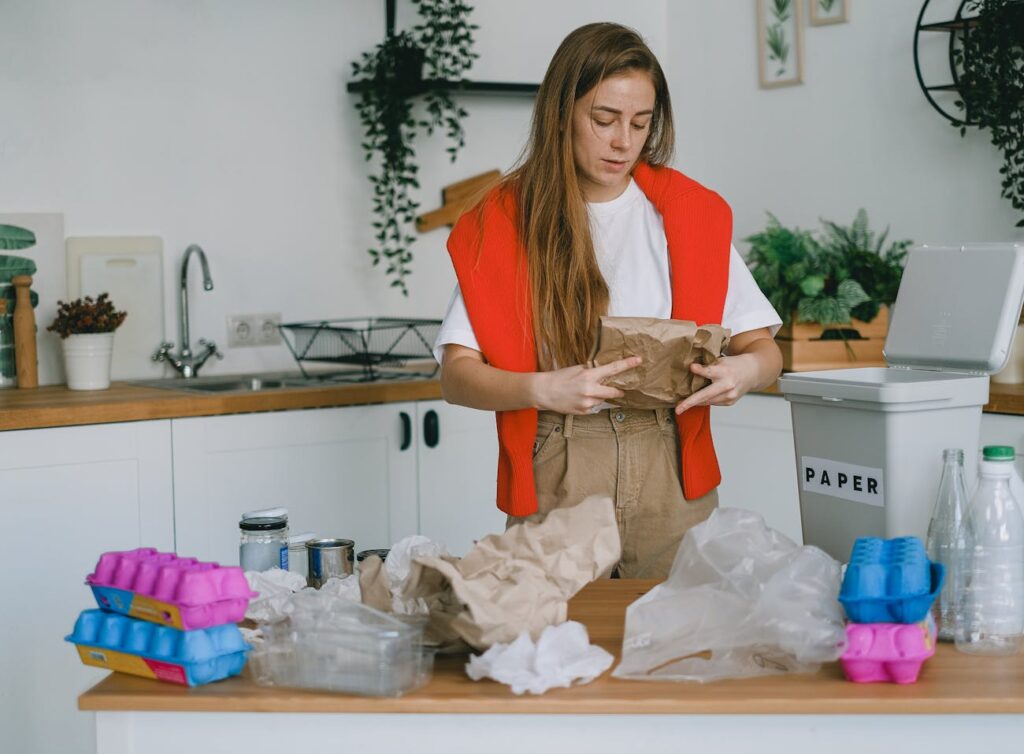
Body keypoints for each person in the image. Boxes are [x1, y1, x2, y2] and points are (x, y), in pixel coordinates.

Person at [434, 22, 783, 579]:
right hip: (560, 460)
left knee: (675, 643)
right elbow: (456, 376)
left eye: (641, 123)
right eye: (604, 120)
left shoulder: (690, 214)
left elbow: (765, 350)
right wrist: (541, 388)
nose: (624, 141)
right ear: (562, 113)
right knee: (553, 647)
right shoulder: (501, 222)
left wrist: (743, 372)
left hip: (670, 464)